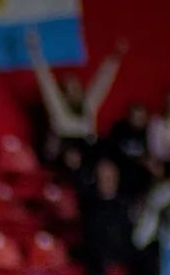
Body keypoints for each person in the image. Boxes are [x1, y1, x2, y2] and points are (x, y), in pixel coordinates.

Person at [26, 27, 126, 170]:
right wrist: (34, 50)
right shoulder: (59, 110)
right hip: (60, 164)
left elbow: (102, 83)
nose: (74, 92)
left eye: (76, 88)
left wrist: (115, 57)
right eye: (69, 89)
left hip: (88, 164)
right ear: (64, 94)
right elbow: (46, 81)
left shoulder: (88, 106)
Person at [78, 157, 135, 275]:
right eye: (101, 178)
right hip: (97, 264)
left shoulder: (125, 206)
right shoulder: (89, 206)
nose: (105, 182)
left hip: (123, 260)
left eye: (109, 178)